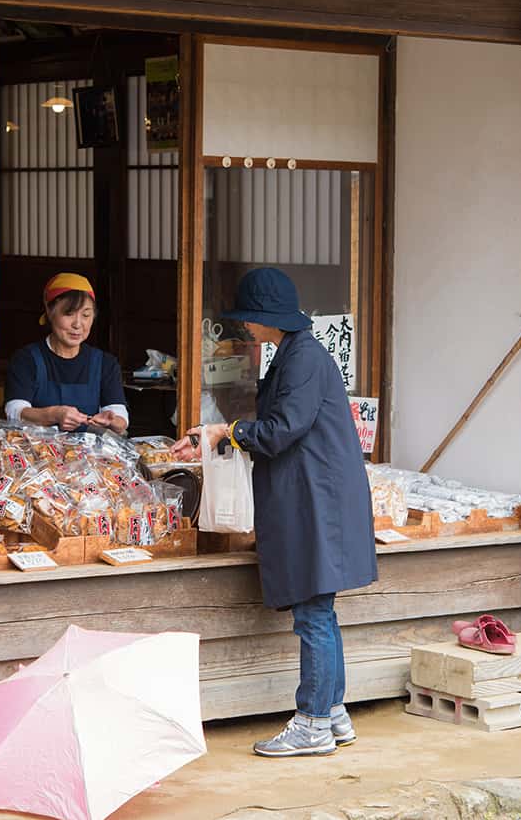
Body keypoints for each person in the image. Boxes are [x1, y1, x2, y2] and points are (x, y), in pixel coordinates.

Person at [172, 267, 377, 758]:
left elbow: (283, 428)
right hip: (316, 499)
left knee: (313, 615)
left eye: (250, 320)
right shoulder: (294, 353)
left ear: (268, 319)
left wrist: (228, 433)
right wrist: (226, 431)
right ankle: (332, 714)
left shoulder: (302, 358)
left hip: (316, 503)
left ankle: (311, 722)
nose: (246, 328)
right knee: (321, 615)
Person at [4, 273, 129, 433]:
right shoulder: (26, 359)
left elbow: (121, 416)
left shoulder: (105, 363)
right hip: (40, 453)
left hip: (92, 455)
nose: (78, 324)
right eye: (69, 314)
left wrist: (111, 420)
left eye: (85, 315)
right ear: (49, 312)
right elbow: (15, 411)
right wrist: (53, 414)